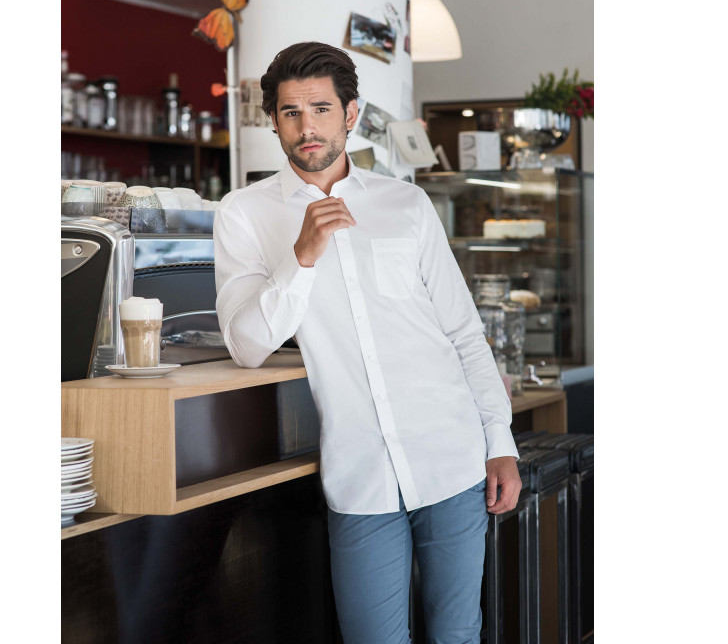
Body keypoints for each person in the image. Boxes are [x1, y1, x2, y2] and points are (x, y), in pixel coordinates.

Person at [213, 41, 521, 644]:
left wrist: (499, 442)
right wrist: (301, 258)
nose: (307, 127)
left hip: (452, 457)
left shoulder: (406, 203)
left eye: (321, 109)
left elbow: (462, 332)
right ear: (272, 119)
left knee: (458, 634)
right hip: (360, 474)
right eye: (291, 112)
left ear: (350, 114)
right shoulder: (243, 214)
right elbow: (246, 346)